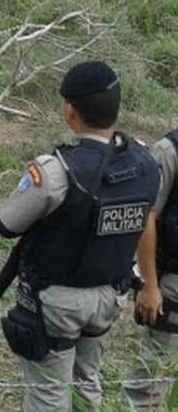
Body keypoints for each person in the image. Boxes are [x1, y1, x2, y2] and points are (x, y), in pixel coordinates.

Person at [0, 61, 159, 412]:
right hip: (109, 299)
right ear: (117, 104)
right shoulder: (146, 163)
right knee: (87, 383)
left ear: (70, 111)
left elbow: (7, 224)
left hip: (57, 301)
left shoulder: (56, 170)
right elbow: (146, 219)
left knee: (49, 395)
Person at [124, 129, 178, 410]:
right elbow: (147, 218)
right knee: (151, 379)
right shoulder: (169, 151)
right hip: (171, 281)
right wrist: (149, 284)